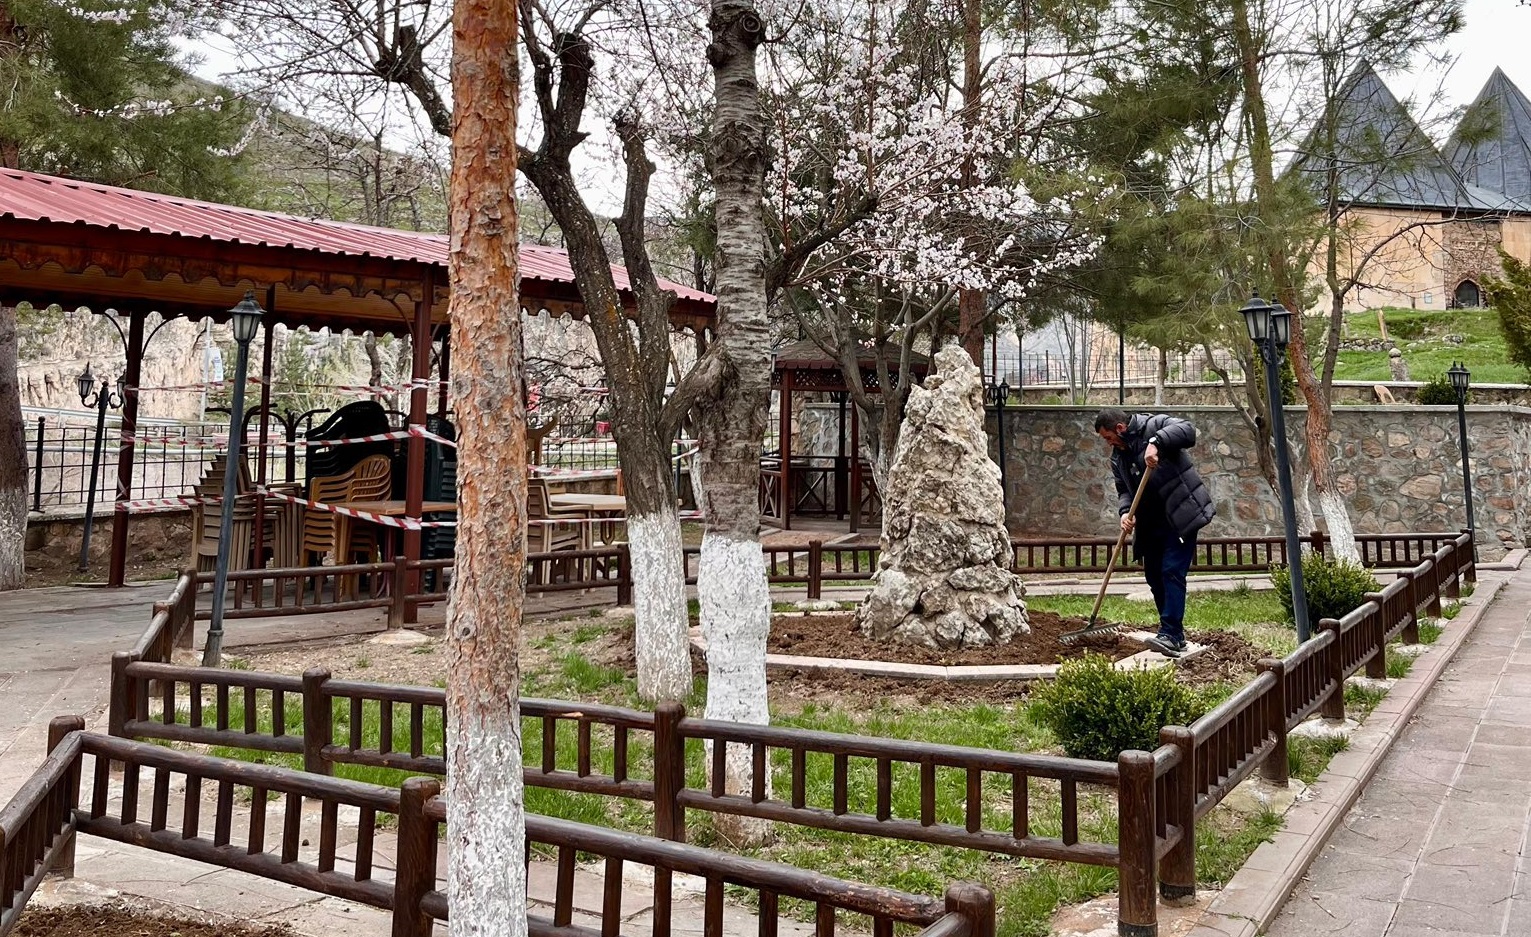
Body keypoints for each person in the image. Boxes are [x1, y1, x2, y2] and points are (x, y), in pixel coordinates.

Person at [1093, 409, 1216, 657]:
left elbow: (1188, 431)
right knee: (1154, 576)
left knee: (1171, 570)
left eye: (1108, 438)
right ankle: (1174, 635)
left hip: (1178, 515)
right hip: (1151, 523)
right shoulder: (1118, 457)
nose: (1109, 444)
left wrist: (1156, 443)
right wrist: (1125, 513)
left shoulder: (1153, 425)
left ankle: (1169, 633)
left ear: (1119, 428)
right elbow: (1123, 489)